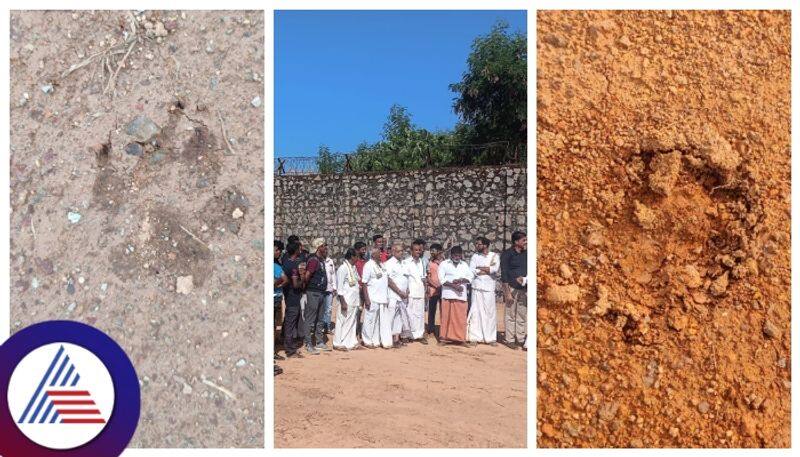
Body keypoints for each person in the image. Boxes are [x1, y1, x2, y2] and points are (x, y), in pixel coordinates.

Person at [437, 245, 474, 345]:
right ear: (451, 255)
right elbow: (441, 280)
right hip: (447, 295)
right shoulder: (444, 264)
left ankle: (460, 339)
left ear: (461, 255)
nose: (457, 257)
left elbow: (470, 278)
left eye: (459, 256)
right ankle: (444, 338)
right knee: (446, 318)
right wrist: (454, 286)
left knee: (460, 318)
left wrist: (461, 280)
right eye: (455, 255)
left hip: (461, 296)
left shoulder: (465, 265)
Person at [467, 237, 500, 346]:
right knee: (475, 312)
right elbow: (472, 270)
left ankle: (490, 338)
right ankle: (474, 337)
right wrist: (486, 269)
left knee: (489, 312)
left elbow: (494, 269)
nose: (477, 246)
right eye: (476, 244)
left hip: (489, 288)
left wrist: (481, 269)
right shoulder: (475, 256)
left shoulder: (494, 256)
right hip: (477, 287)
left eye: (479, 244)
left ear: (485, 245)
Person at [302, 238, 332, 355]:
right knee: (310, 319)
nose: (326, 248)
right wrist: (305, 288)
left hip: (321, 292)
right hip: (313, 292)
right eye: (324, 246)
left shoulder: (320, 260)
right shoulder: (314, 260)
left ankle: (319, 342)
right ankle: (308, 343)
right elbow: (307, 275)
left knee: (320, 318)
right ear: (319, 247)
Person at [501, 230, 528, 349]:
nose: (526, 242)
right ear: (516, 242)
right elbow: (504, 274)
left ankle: (520, 338)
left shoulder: (526, 254)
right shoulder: (507, 254)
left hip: (524, 289)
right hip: (511, 288)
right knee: (510, 314)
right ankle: (509, 339)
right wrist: (507, 293)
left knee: (522, 314)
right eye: (524, 240)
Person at [361, 247, 390, 348]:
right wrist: (367, 299)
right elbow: (364, 283)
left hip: (381, 298)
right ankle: (367, 340)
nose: (381, 255)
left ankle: (375, 340)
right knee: (369, 320)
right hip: (372, 297)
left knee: (377, 321)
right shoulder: (368, 265)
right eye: (379, 253)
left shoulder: (382, 265)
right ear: (373, 255)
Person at [281, 241, 305, 358]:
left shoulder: (285, 263)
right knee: (290, 324)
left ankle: (290, 347)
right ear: (296, 250)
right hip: (293, 297)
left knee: (289, 323)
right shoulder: (294, 266)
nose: (301, 250)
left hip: (288, 296)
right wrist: (303, 278)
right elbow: (296, 284)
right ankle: (290, 350)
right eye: (299, 249)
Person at [333, 248, 361, 351]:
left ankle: (350, 342)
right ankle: (338, 343)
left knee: (352, 321)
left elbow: (357, 280)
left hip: (354, 299)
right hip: (346, 299)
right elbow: (339, 287)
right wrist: (343, 301)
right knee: (342, 320)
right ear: (352, 257)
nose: (358, 258)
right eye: (356, 256)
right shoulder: (343, 268)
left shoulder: (353, 268)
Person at [385, 242, 412, 347]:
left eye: (402, 251)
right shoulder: (389, 264)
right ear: (393, 252)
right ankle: (388, 339)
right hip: (393, 295)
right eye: (399, 251)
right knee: (390, 317)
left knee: (399, 318)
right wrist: (399, 292)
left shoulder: (404, 263)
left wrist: (407, 290)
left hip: (403, 296)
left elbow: (407, 278)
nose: (402, 253)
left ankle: (396, 338)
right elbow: (389, 280)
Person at [403, 239, 428, 344]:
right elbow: (405, 277)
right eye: (416, 250)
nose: (418, 252)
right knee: (409, 314)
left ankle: (419, 335)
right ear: (411, 251)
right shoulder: (406, 262)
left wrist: (426, 290)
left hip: (420, 292)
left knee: (420, 314)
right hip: (411, 292)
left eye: (419, 250)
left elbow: (423, 277)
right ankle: (409, 335)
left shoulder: (422, 262)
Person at [426, 243, 443, 338]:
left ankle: (443, 330)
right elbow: (428, 278)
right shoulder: (429, 263)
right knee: (432, 311)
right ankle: (431, 330)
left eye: (433, 250)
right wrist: (436, 286)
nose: (431, 252)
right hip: (433, 290)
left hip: (443, 290)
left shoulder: (445, 263)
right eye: (431, 251)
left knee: (443, 311)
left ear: (439, 251)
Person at [274, 240, 287, 361]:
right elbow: (284, 279)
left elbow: (285, 279)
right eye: (277, 250)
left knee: (275, 325)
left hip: (277, 297)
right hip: (273, 298)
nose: (278, 252)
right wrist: (277, 282)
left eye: (279, 250)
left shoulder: (278, 265)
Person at [322, 254, 337, 335]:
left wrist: (334, 287)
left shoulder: (330, 261)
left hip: (329, 288)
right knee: (320, 309)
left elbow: (333, 274)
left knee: (328, 309)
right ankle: (319, 326)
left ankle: (327, 327)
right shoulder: (318, 260)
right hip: (320, 289)